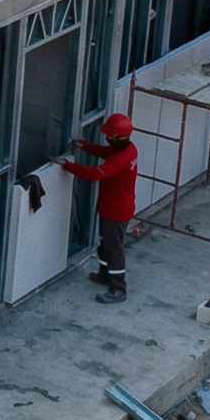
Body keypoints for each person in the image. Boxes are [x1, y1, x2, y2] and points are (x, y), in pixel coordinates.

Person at [62, 112, 138, 303]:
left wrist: (68, 166)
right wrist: (85, 145)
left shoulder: (121, 157)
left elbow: (96, 173)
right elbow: (106, 152)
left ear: (119, 137)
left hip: (116, 211)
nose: (107, 139)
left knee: (113, 248)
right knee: (106, 244)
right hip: (112, 207)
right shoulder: (126, 149)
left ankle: (118, 288)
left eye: (110, 136)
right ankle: (105, 274)